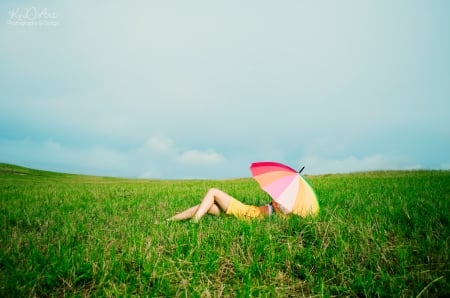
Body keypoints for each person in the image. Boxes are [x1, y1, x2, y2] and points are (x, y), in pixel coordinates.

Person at [167, 188, 280, 222]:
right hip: (248, 210)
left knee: (213, 192)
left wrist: (276, 205)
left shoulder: (288, 210)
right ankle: (168, 221)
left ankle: (194, 221)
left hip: (248, 213)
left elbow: (279, 216)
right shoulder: (282, 202)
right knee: (205, 207)